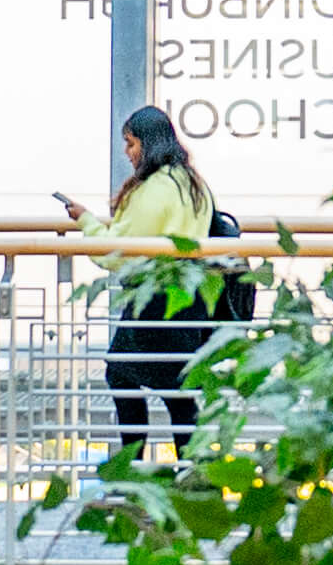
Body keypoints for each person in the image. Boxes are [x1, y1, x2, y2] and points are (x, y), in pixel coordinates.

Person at [75, 102, 226, 463]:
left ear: (148, 143)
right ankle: (193, 477)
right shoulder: (193, 184)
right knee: (179, 391)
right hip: (191, 300)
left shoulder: (155, 188)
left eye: (131, 144)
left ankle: (134, 467)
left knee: (121, 374)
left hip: (153, 300)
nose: (128, 153)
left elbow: (116, 251)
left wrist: (85, 222)